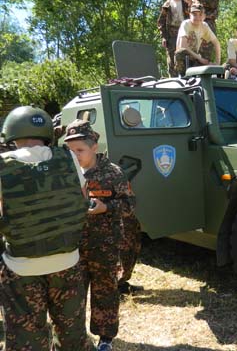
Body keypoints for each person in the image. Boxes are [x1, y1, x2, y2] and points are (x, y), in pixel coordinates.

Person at [0, 106, 93, 351]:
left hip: (22, 268)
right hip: (67, 262)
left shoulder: (2, 166)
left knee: (26, 340)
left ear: (11, 134)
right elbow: (83, 199)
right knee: (72, 335)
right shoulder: (68, 157)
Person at [64, 119, 136, 351]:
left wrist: (107, 207)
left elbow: (130, 204)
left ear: (94, 146)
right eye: (70, 151)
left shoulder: (113, 173)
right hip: (72, 246)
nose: (75, 155)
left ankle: (105, 338)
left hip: (104, 245)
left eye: (80, 150)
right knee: (72, 295)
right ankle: (73, 338)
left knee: (105, 291)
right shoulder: (64, 174)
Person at [174, 2, 221, 76]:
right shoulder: (186, 24)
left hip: (195, 58)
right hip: (184, 58)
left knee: (216, 66)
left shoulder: (204, 26)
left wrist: (218, 63)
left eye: (200, 14)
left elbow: (216, 43)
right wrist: (200, 58)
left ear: (204, 16)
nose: (197, 17)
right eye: (194, 14)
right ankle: (183, 76)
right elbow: (183, 47)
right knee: (181, 52)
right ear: (190, 15)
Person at [157, 0, 190, 77]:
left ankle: (186, 80)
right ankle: (174, 82)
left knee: (185, 57)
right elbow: (161, 22)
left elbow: (191, 18)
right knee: (171, 60)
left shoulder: (185, 3)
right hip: (171, 35)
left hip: (184, 34)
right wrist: (163, 37)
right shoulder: (167, 4)